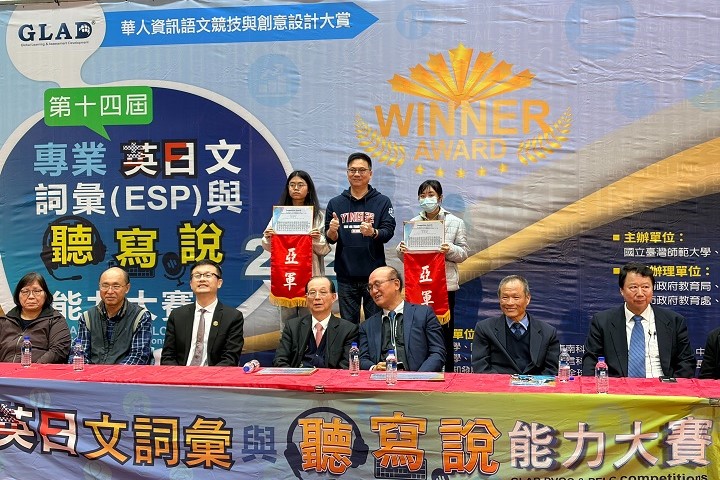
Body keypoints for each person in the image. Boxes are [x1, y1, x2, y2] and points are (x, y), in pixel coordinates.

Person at [397, 179, 468, 372]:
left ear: (440, 198)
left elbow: (463, 254)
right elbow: (406, 258)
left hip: (444, 287)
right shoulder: (413, 224)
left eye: (430, 195)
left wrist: (449, 249)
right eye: (422, 196)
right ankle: (420, 371)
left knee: (444, 333)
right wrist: (401, 250)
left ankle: (449, 373)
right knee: (419, 333)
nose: (426, 199)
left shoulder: (455, 222)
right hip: (419, 286)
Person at [582, 262, 695, 378]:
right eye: (633, 287)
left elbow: (686, 362)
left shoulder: (674, 321)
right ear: (621, 290)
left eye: (645, 287)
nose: (640, 293)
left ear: (652, 289)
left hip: (662, 386)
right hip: (618, 387)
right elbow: (590, 362)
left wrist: (671, 386)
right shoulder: (603, 322)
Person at [325, 152, 396, 324]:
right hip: (346, 276)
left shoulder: (382, 201)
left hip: (375, 276)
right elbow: (331, 238)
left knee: (375, 324)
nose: (357, 174)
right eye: (353, 170)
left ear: (370, 173)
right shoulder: (335, 203)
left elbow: (388, 232)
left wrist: (373, 232)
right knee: (348, 325)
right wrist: (332, 231)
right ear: (347, 173)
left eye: (362, 170)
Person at [262, 170, 331, 324]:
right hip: (285, 274)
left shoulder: (318, 216)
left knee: (310, 320)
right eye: (292, 185)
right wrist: (268, 237)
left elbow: (324, 249)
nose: (296, 188)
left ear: (309, 189)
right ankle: (287, 341)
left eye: (300, 185)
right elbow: (268, 246)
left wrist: (315, 239)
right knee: (287, 322)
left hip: (310, 274)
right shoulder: (280, 214)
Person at [359, 266, 445, 372]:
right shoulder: (367, 326)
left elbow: (437, 352)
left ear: (396, 284)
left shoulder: (423, 314)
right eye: (370, 287)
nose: (374, 291)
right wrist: (374, 368)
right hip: (382, 380)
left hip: (418, 378)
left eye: (377, 284)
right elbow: (362, 359)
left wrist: (418, 377)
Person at [161, 260, 244, 366]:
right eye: (197, 275)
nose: (202, 279)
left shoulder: (232, 317)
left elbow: (230, 359)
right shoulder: (177, 315)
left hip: (214, 375)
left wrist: (207, 376)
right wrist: (180, 374)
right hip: (181, 374)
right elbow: (168, 356)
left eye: (208, 275)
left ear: (219, 283)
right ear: (191, 284)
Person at [471, 275, 559, 375]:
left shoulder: (548, 332)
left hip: (535, 384)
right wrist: (507, 383)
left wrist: (529, 383)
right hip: (499, 384)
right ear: (499, 299)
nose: (510, 303)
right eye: (505, 297)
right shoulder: (485, 329)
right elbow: (481, 368)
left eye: (516, 297)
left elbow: (550, 371)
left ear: (527, 299)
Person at [71, 267, 152, 365]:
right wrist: (91, 373)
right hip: (92, 373)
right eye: (105, 286)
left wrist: (112, 373)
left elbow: (139, 357)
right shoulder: (87, 317)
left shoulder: (140, 317)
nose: (110, 291)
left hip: (126, 373)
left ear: (127, 288)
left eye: (116, 286)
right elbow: (80, 354)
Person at [273, 276, 358, 369]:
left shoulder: (348, 330)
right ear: (306, 298)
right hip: (298, 377)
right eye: (312, 293)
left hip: (330, 378)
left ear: (333, 297)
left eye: (323, 292)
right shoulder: (292, 327)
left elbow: (346, 366)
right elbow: (280, 360)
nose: (317, 297)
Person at [0, 272, 70, 363]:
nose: (31, 297)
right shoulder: (4, 321)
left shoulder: (55, 320)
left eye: (37, 291)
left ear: (46, 294)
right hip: (5, 370)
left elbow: (58, 350)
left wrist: (34, 368)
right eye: (25, 292)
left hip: (40, 371)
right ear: (18, 295)